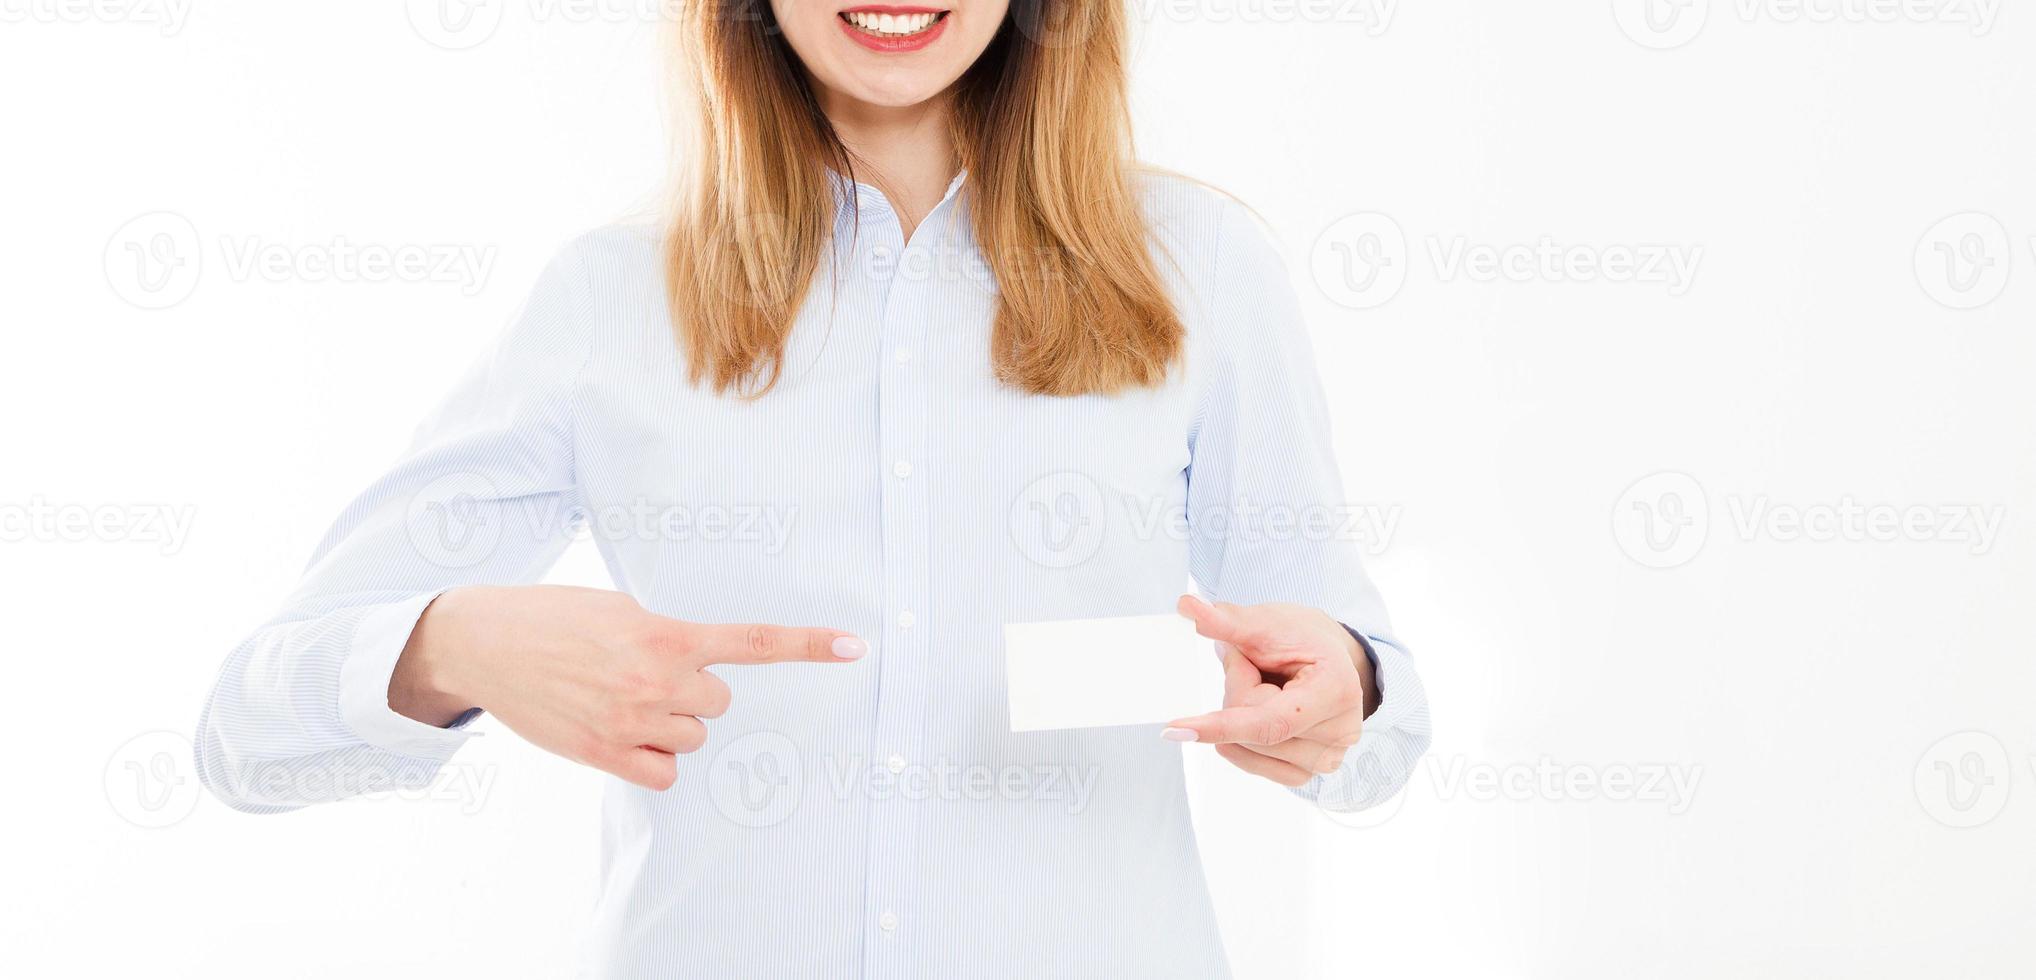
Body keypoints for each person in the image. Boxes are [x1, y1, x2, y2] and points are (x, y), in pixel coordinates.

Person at [194, 1, 1432, 975]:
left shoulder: (1200, 267)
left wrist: (1341, 689)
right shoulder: (607, 295)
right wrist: (450, 643)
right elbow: (246, 737)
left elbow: (1374, 713)